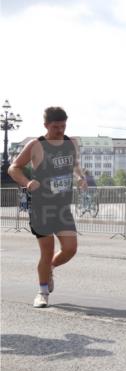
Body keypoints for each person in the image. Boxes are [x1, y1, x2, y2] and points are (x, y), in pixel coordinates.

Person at [7, 106, 85, 308]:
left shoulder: (71, 143)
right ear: (46, 125)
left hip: (62, 206)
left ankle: (49, 269)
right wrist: (27, 182)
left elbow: (75, 165)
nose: (60, 130)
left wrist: (80, 177)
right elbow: (13, 167)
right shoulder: (36, 145)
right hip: (41, 206)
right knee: (47, 251)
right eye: (56, 126)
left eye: (63, 125)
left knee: (70, 249)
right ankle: (42, 293)